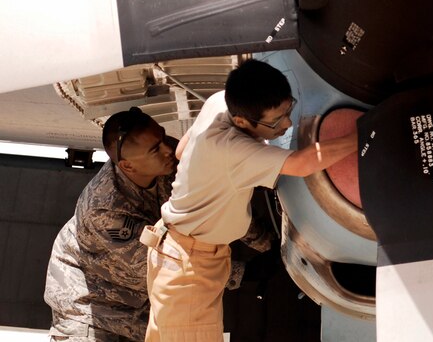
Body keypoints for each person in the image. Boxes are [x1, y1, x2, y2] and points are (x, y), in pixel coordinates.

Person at [143, 58, 358, 342]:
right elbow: (303, 163)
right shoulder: (230, 147)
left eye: (287, 110)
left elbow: (183, 150)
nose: (287, 123)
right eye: (275, 121)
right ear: (242, 121)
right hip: (189, 269)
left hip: (178, 254)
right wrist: (365, 133)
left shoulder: (220, 103)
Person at [44, 107, 178, 342]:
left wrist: (263, 242)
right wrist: (240, 272)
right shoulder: (104, 208)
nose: (169, 149)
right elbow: (160, 262)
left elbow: (213, 198)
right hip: (89, 310)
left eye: (163, 137)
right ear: (127, 166)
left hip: (134, 309)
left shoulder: (165, 158)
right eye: (156, 148)